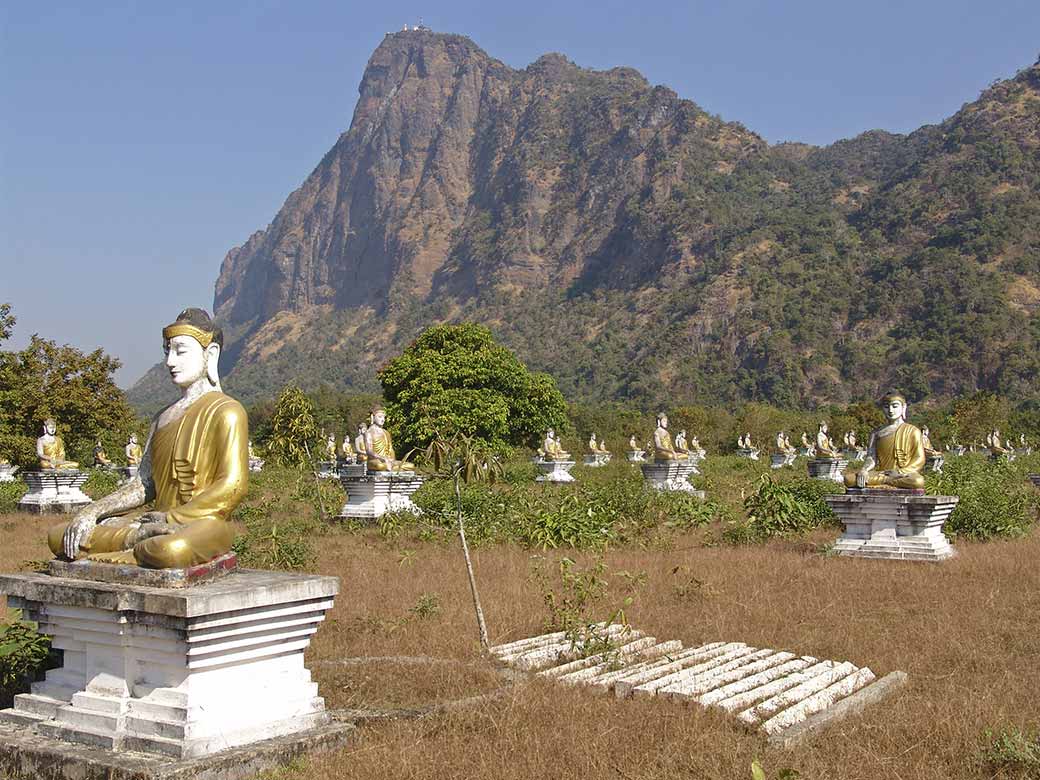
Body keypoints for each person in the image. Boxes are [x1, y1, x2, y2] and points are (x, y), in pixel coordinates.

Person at [48, 308, 248, 568]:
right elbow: (143, 484)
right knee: (60, 535)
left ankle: (136, 543)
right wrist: (93, 511)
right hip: (151, 524)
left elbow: (233, 485)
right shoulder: (162, 417)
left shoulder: (227, 410)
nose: (170, 362)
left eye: (181, 351)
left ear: (210, 354)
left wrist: (170, 519)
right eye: (167, 351)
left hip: (203, 524)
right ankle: (137, 539)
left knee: (171, 549)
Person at [844, 392, 926, 490]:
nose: (891, 410)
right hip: (883, 473)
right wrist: (864, 470)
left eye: (895, 406)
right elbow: (871, 457)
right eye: (887, 407)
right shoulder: (876, 433)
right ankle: (887, 482)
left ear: (903, 408)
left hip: (903, 474)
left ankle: (885, 483)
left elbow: (920, 459)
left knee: (918, 481)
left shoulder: (913, 431)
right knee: (849, 479)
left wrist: (900, 472)